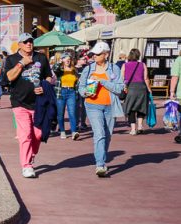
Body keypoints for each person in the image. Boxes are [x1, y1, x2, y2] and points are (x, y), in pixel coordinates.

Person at [3, 33, 53, 178]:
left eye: (30, 41)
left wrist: (45, 86)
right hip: (19, 103)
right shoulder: (11, 59)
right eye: (25, 42)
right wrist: (21, 63)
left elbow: (48, 76)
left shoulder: (41, 58)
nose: (29, 44)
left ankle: (30, 155)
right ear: (19, 44)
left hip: (38, 103)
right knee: (25, 135)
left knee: (38, 135)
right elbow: (9, 77)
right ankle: (26, 166)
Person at [78, 41, 124, 177]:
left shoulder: (114, 69)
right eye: (93, 54)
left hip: (110, 106)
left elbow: (119, 88)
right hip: (92, 106)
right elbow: (80, 87)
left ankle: (101, 159)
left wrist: (102, 81)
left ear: (106, 54)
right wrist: (85, 92)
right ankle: (100, 164)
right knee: (100, 134)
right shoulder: (88, 69)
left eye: (97, 54)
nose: (94, 57)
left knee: (107, 136)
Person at [121, 48, 150, 136]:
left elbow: (121, 79)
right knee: (141, 107)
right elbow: (146, 78)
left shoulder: (125, 65)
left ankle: (133, 129)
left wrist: (124, 87)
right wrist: (149, 89)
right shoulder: (143, 65)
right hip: (141, 87)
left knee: (131, 108)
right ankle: (140, 126)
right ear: (138, 55)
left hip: (130, 88)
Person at [53, 51, 79, 140]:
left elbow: (77, 83)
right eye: (65, 58)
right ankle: (62, 131)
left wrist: (77, 93)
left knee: (72, 113)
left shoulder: (74, 69)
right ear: (62, 60)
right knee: (60, 114)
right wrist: (60, 62)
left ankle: (74, 132)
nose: (68, 60)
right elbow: (54, 68)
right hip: (61, 92)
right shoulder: (60, 70)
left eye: (69, 59)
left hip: (71, 92)